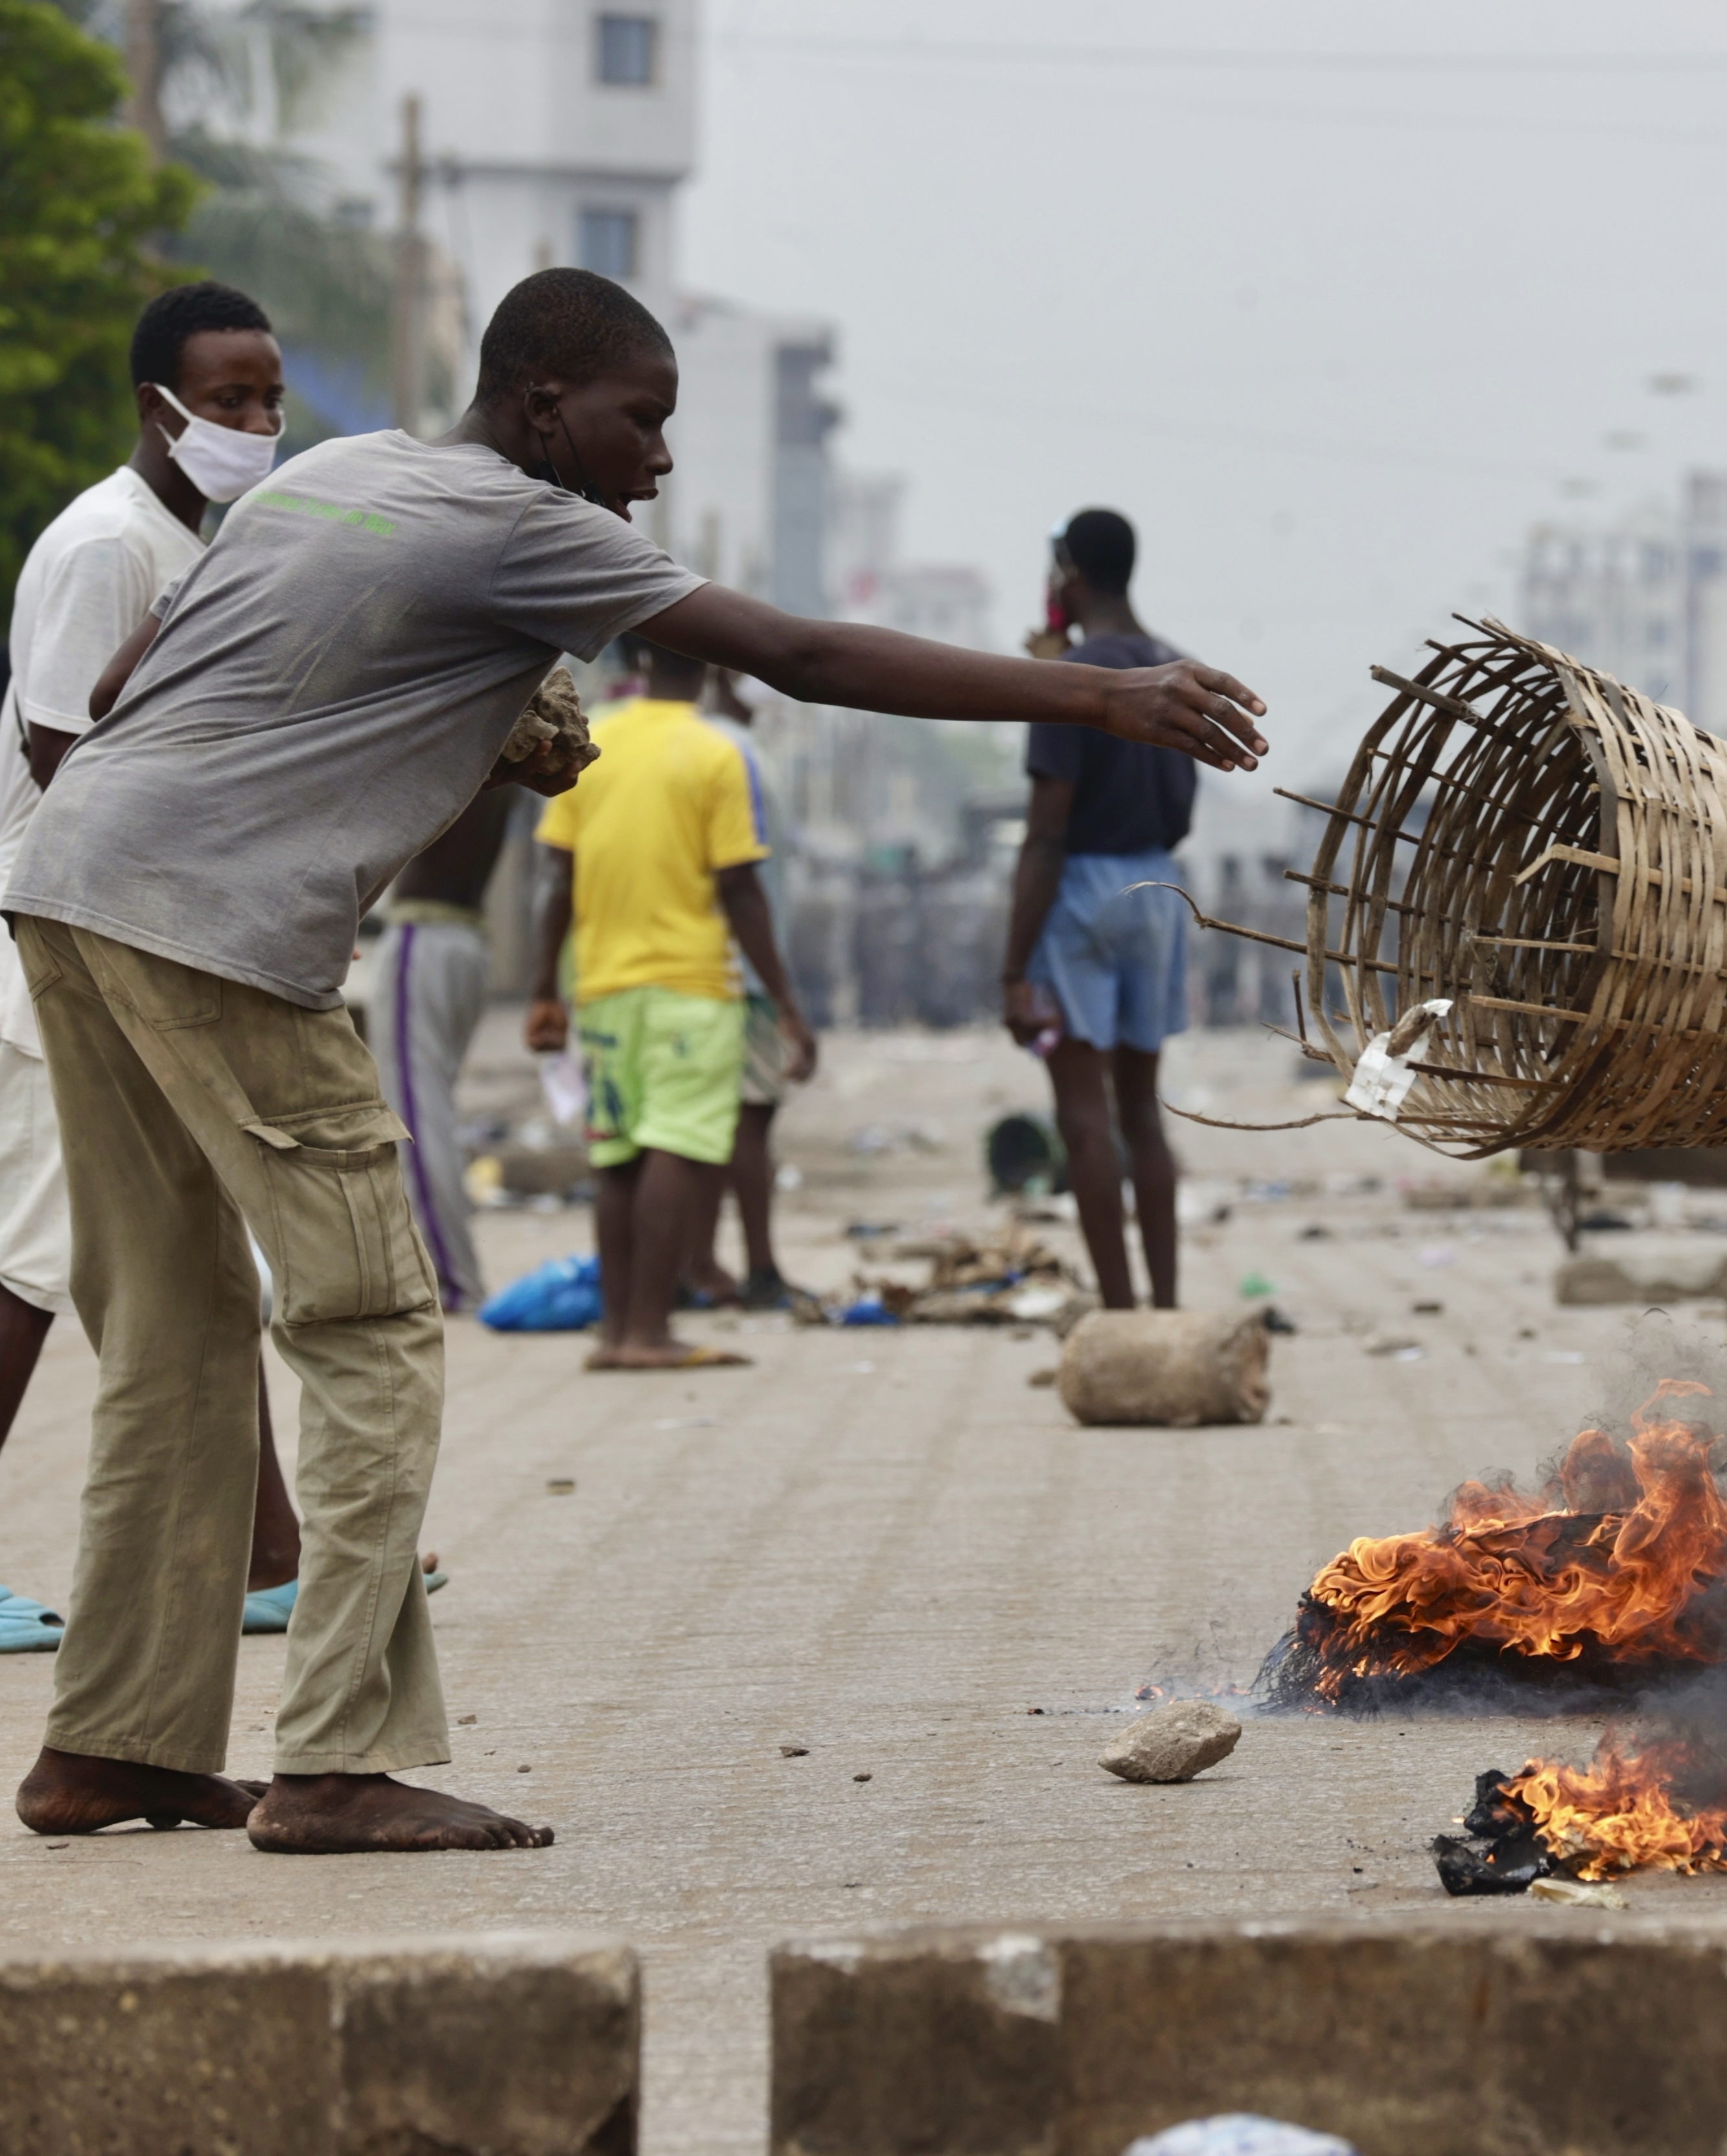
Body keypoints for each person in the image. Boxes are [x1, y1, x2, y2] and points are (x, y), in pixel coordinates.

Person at [5, 266, 1268, 1853]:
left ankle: (112, 1746)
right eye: (640, 421)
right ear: (545, 406)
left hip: (66, 885)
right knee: (373, 1322)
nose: (657, 462)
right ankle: (334, 1763)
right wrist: (1111, 692)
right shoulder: (523, 522)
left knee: (180, 1330)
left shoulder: (339, 472)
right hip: (214, 929)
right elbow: (804, 653)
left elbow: (121, 688)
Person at [0, 283, 306, 1653]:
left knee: (198, 1245)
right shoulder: (106, 549)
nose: (256, 425)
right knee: (33, 1262)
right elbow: (65, 758)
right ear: (157, 407)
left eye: (269, 400)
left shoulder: (200, 546)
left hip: (152, 945)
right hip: (63, 948)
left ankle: (269, 1550)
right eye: (228, 401)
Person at [527, 632, 815, 1370]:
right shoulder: (717, 753)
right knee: (678, 1147)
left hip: (603, 987)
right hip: (692, 987)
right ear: (713, 665)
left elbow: (557, 879)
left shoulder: (596, 744)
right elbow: (740, 887)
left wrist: (542, 991)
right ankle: (651, 1331)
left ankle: (617, 1332)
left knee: (617, 1155)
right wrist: (785, 1000)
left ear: (636, 661)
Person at [999, 509, 1198, 1312]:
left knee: (1083, 1113)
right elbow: (1183, 810)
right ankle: (1168, 1303)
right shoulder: (1176, 670)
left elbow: (1045, 833)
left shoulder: (1071, 680)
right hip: (1156, 889)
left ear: (1068, 575)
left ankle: (1119, 1312)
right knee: (1141, 1110)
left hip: (1079, 887)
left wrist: (1014, 969)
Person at [684, 669, 806, 1313]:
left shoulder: (721, 745)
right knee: (749, 1120)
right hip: (741, 968)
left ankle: (704, 1263)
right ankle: (750, 1268)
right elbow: (740, 879)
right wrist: (784, 995)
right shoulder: (731, 751)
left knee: (722, 1122)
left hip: (726, 964)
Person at [378, 791, 516, 1316]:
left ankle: (450, 1279)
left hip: (427, 936)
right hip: (462, 936)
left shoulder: (456, 725)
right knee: (427, 1112)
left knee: (415, 1117)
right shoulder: (504, 731)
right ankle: (447, 1270)